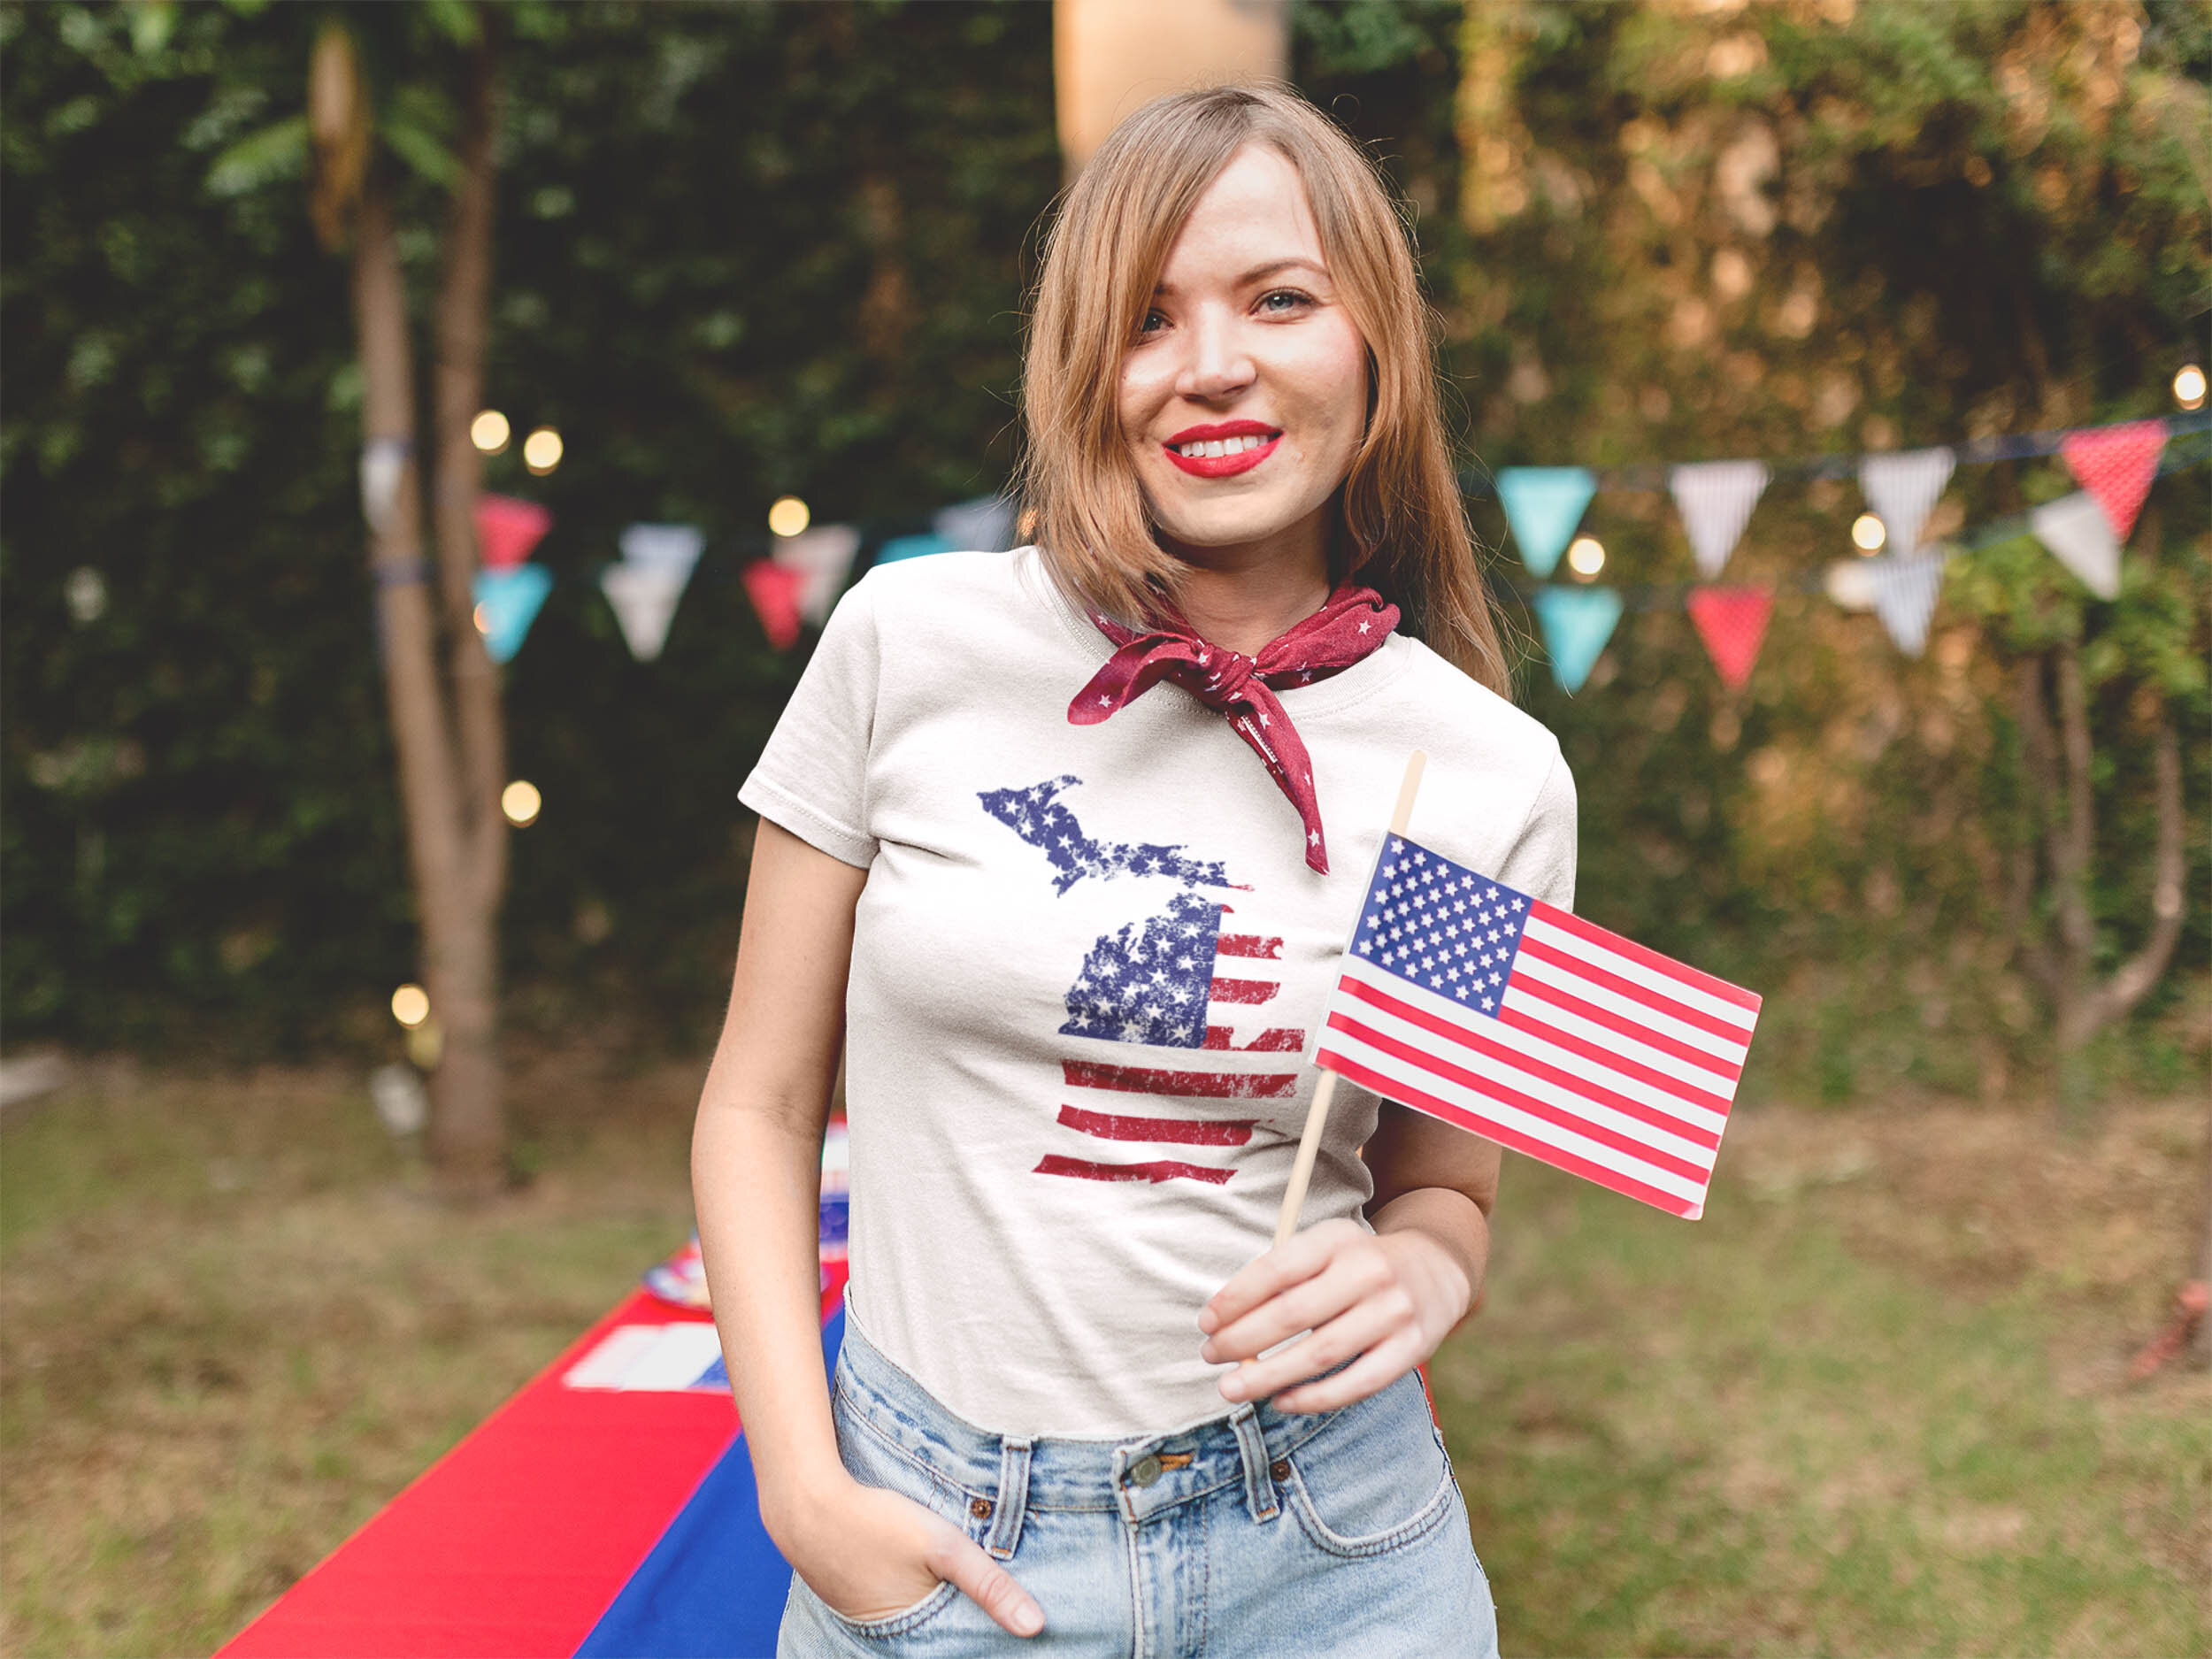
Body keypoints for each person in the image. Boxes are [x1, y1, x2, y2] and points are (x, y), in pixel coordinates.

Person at [692, 82, 1576, 1658]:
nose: (1212, 364)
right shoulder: (912, 645)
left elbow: (1440, 1188)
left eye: (1279, 299)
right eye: (1146, 318)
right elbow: (758, 1105)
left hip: (1335, 1548)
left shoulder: (1476, 768)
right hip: (945, 1547)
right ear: (1080, 367)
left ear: (1375, 343)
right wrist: (803, 1493)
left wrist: (1431, 1280)